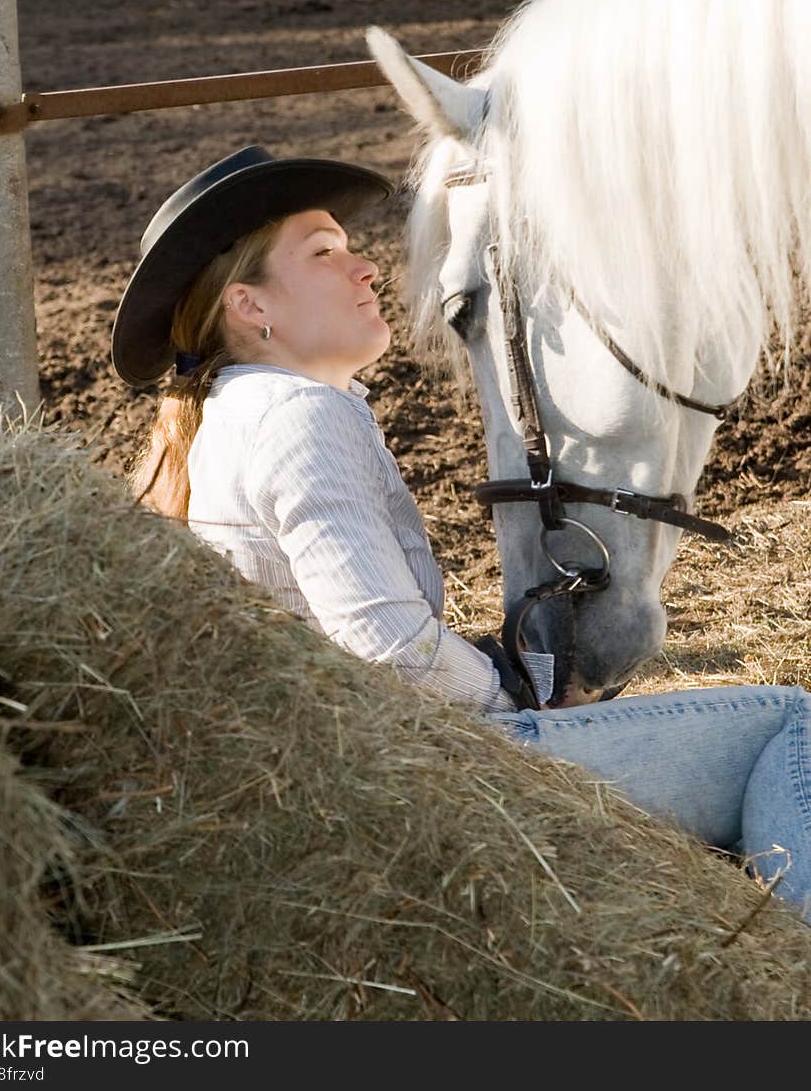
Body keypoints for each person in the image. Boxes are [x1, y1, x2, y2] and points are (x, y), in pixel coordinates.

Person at [112, 145, 811, 924]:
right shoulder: (296, 416)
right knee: (792, 725)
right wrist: (513, 696)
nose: (365, 268)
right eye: (324, 253)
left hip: (356, 765)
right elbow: (389, 648)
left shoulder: (245, 413)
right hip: (410, 778)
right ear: (251, 308)